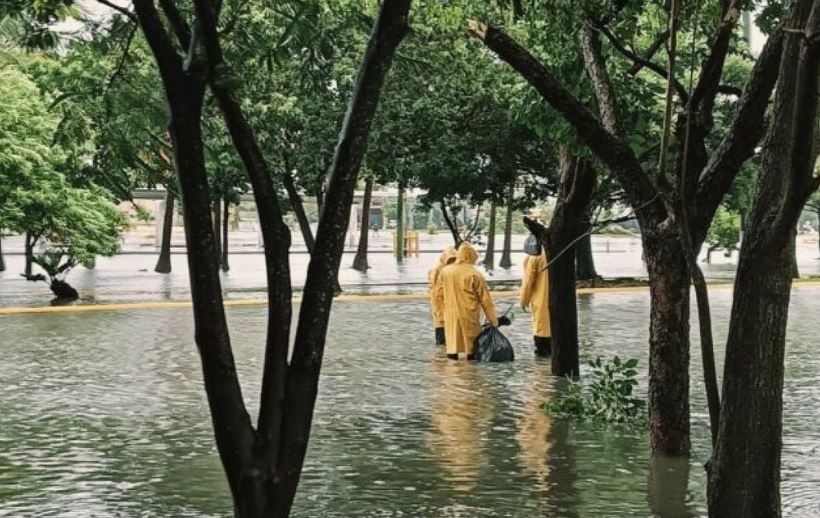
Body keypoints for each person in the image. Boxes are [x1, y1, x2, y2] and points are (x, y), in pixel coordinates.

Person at [442, 242, 499, 360]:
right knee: (471, 349)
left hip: (451, 315)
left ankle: (452, 370)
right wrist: (493, 321)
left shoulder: (446, 271)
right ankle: (470, 370)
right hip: (469, 315)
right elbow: (486, 300)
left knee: (452, 346)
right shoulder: (475, 274)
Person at [520, 237, 551, 357]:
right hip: (560, 305)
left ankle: (541, 365)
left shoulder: (535, 256)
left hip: (541, 301)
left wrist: (524, 300)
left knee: (541, 331)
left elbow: (528, 281)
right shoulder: (560, 253)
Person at [428, 246, 457, 345]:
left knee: (444, 340)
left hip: (443, 310)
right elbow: (437, 293)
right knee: (443, 339)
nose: (452, 262)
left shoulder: (441, 270)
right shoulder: (441, 272)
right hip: (443, 310)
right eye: (451, 260)